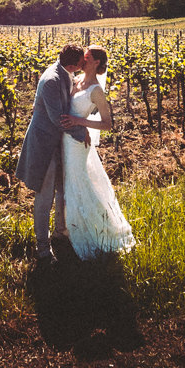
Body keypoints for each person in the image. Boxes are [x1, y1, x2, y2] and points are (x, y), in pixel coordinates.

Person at [58, 44, 136, 259]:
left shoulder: (96, 90)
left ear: (97, 62)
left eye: (88, 55)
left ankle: (91, 231)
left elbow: (107, 124)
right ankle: (67, 228)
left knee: (78, 183)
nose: (83, 57)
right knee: (69, 182)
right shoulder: (77, 80)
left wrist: (79, 122)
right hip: (67, 139)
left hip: (77, 145)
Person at [15, 42, 90, 263]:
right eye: (81, 64)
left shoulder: (65, 73)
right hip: (44, 143)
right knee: (44, 195)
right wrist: (81, 131)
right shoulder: (51, 80)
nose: (83, 66)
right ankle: (42, 248)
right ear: (72, 64)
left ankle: (60, 232)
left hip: (58, 143)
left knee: (61, 190)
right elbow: (57, 119)